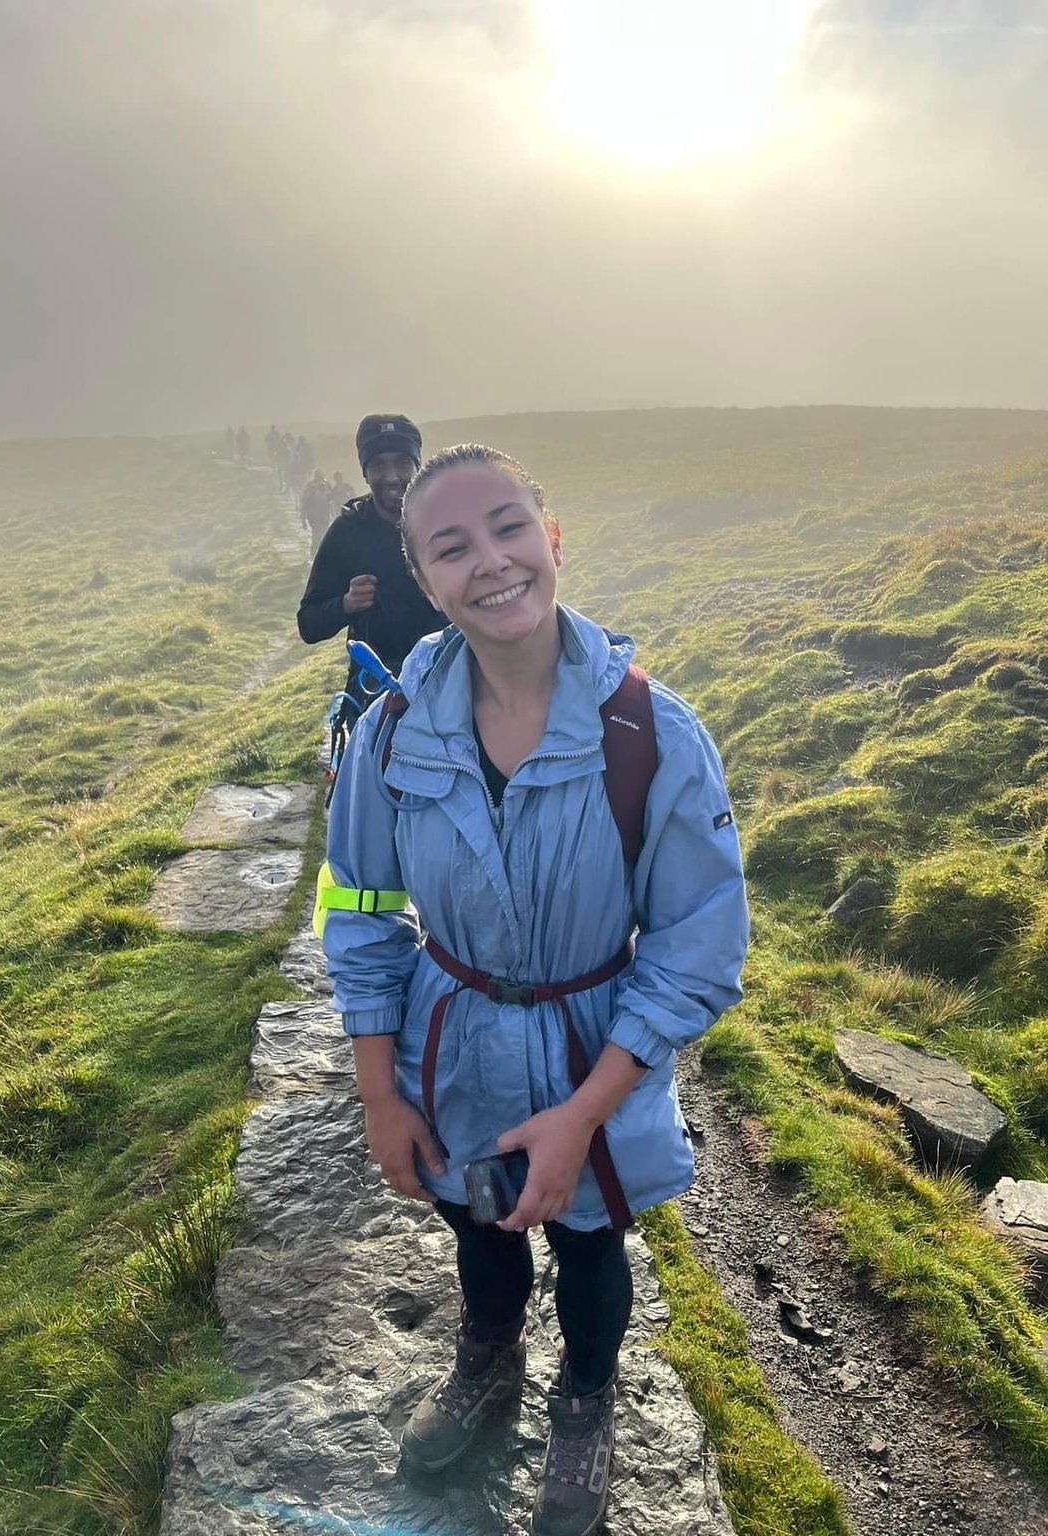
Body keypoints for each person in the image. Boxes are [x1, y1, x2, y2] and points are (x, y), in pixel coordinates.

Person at [319, 444, 748, 1536]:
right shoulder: (392, 734)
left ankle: (587, 1398)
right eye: (452, 546)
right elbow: (360, 909)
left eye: (510, 527)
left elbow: (696, 947)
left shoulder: (650, 735)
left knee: (594, 1242)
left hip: (590, 1048)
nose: (491, 561)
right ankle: (488, 1352)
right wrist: (380, 1095)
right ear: (425, 580)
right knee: (478, 1220)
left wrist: (585, 1114)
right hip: (451, 1042)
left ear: (551, 539)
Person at [296, 414, 440, 721]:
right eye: (378, 465)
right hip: (378, 698)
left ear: (418, 465)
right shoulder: (347, 532)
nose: (392, 476)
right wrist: (346, 604)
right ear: (365, 473)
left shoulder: (445, 521)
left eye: (402, 462)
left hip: (450, 682)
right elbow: (308, 624)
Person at [299, 469, 334, 556]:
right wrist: (303, 519)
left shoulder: (327, 495)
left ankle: (321, 553)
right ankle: (314, 553)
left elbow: (331, 505)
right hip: (314, 518)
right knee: (316, 535)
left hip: (324, 518)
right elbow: (305, 504)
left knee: (324, 535)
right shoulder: (311, 494)